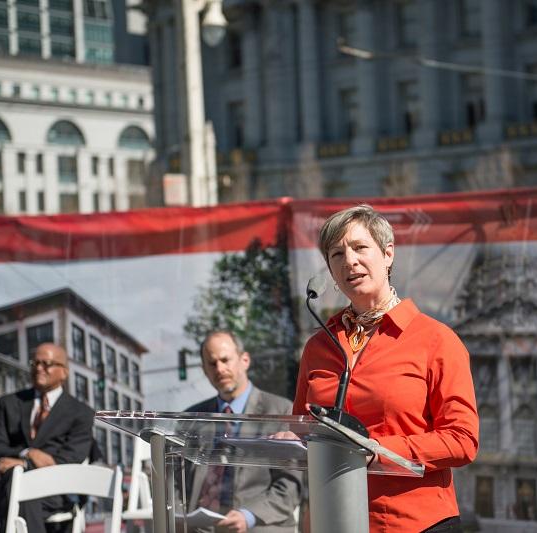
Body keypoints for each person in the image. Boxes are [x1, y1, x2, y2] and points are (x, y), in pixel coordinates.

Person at [292, 204, 479, 532]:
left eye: (360, 247)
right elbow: (302, 428)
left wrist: (378, 451)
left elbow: (462, 440)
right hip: (335, 519)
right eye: (337, 254)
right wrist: (289, 437)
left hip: (417, 523)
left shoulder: (436, 339)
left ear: (388, 254)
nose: (349, 261)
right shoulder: (319, 346)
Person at [184, 331, 302, 533]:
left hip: (257, 524)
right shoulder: (192, 418)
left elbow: (289, 487)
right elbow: (176, 481)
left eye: (225, 360)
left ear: (244, 360)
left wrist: (247, 517)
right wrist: (178, 517)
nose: (219, 369)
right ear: (204, 370)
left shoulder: (280, 411)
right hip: (200, 527)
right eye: (212, 363)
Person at [0, 343, 95, 533]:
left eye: (46, 363)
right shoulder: (8, 403)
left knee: (21, 488)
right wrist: (27, 454)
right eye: (35, 363)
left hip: (56, 490)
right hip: (5, 485)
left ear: (64, 372)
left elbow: (70, 459)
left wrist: (25, 465)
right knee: (17, 483)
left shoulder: (81, 413)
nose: (39, 368)